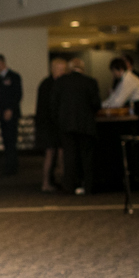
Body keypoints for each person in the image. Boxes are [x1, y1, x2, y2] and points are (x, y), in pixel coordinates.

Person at [51, 58, 102, 195]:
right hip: (86, 126)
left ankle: (70, 185)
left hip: (67, 126)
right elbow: (96, 104)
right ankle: (88, 186)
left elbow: (54, 105)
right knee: (86, 157)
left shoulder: (61, 82)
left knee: (70, 157)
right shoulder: (90, 82)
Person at [36, 58, 69, 192]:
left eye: (64, 70)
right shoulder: (49, 85)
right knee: (52, 154)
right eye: (60, 69)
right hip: (49, 125)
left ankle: (58, 181)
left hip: (52, 125)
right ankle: (47, 182)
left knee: (58, 153)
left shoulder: (50, 83)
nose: (62, 72)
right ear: (53, 69)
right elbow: (50, 108)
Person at [0, 54, 23, 176]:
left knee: (11, 140)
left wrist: (10, 109)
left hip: (11, 113)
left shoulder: (14, 76)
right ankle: (9, 165)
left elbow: (17, 94)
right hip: (2, 112)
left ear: (0, 62)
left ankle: (12, 167)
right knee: (6, 140)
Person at [103, 57, 139, 136]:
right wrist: (104, 105)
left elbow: (118, 102)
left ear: (119, 69)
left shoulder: (128, 79)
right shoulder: (125, 78)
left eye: (113, 71)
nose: (113, 74)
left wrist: (103, 106)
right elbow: (115, 97)